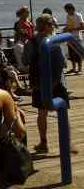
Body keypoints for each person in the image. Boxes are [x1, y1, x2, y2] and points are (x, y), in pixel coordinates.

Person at [29, 14, 76, 154]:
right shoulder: (54, 41)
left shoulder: (31, 42)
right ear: (48, 26)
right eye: (52, 24)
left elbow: (26, 61)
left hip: (39, 83)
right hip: (56, 82)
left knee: (41, 113)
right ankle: (67, 144)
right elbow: (62, 63)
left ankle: (43, 143)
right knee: (62, 113)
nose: (54, 26)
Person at [64, 3, 84, 74]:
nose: (67, 12)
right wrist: (65, 29)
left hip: (77, 37)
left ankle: (79, 69)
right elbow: (68, 25)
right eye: (66, 10)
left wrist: (72, 29)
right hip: (69, 37)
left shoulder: (78, 15)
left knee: (78, 54)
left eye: (67, 10)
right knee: (71, 54)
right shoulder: (67, 16)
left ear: (72, 9)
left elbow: (82, 27)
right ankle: (73, 68)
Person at [13, 6, 34, 70]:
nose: (28, 12)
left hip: (31, 41)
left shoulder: (29, 21)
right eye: (27, 11)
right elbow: (21, 34)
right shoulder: (19, 23)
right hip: (24, 42)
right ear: (22, 13)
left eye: (28, 11)